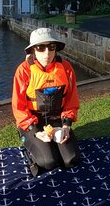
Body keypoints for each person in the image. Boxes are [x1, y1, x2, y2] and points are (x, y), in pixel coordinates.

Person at [12, 27, 80, 176]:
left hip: (57, 120)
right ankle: (31, 145)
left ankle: (57, 145)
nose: (47, 53)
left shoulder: (66, 68)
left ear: (56, 49)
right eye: (40, 48)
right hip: (32, 122)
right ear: (33, 50)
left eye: (51, 47)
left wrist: (66, 125)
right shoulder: (23, 71)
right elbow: (19, 108)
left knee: (71, 159)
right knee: (48, 162)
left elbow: (71, 100)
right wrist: (35, 132)